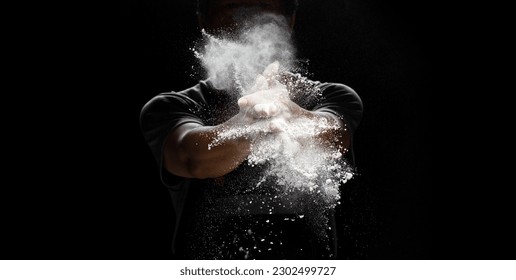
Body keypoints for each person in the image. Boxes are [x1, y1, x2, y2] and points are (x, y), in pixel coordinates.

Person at [140, 0, 363, 259]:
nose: (248, 17)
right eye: (233, 5)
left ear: (289, 19)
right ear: (204, 20)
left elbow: (333, 137)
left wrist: (290, 113)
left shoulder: (328, 97)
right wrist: (249, 124)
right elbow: (190, 157)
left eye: (263, 4)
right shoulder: (174, 106)